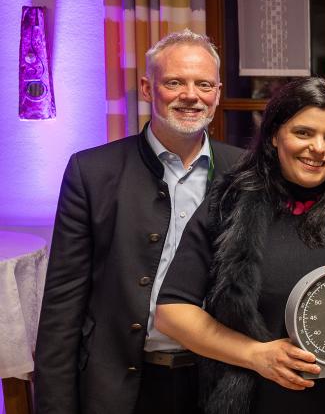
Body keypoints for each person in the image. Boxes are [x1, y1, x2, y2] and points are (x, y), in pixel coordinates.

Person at [154, 77, 325, 413]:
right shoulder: (228, 202)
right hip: (252, 402)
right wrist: (254, 354)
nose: (318, 148)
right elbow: (172, 311)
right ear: (275, 134)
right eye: (303, 132)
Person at [33, 30, 244, 414]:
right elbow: (63, 306)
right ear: (148, 88)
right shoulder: (92, 172)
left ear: (218, 92)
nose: (190, 95)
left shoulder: (245, 172)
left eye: (204, 84)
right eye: (174, 82)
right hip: (121, 387)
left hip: (217, 385)